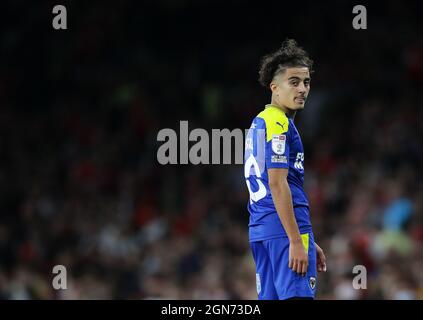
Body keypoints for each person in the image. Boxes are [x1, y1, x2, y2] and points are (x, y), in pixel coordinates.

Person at [244, 39, 327, 300]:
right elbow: (278, 184)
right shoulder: (279, 124)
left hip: (262, 230)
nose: (302, 89)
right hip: (284, 232)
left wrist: (307, 240)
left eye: (306, 82)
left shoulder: (260, 121)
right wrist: (295, 238)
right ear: (274, 87)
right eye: (294, 82)